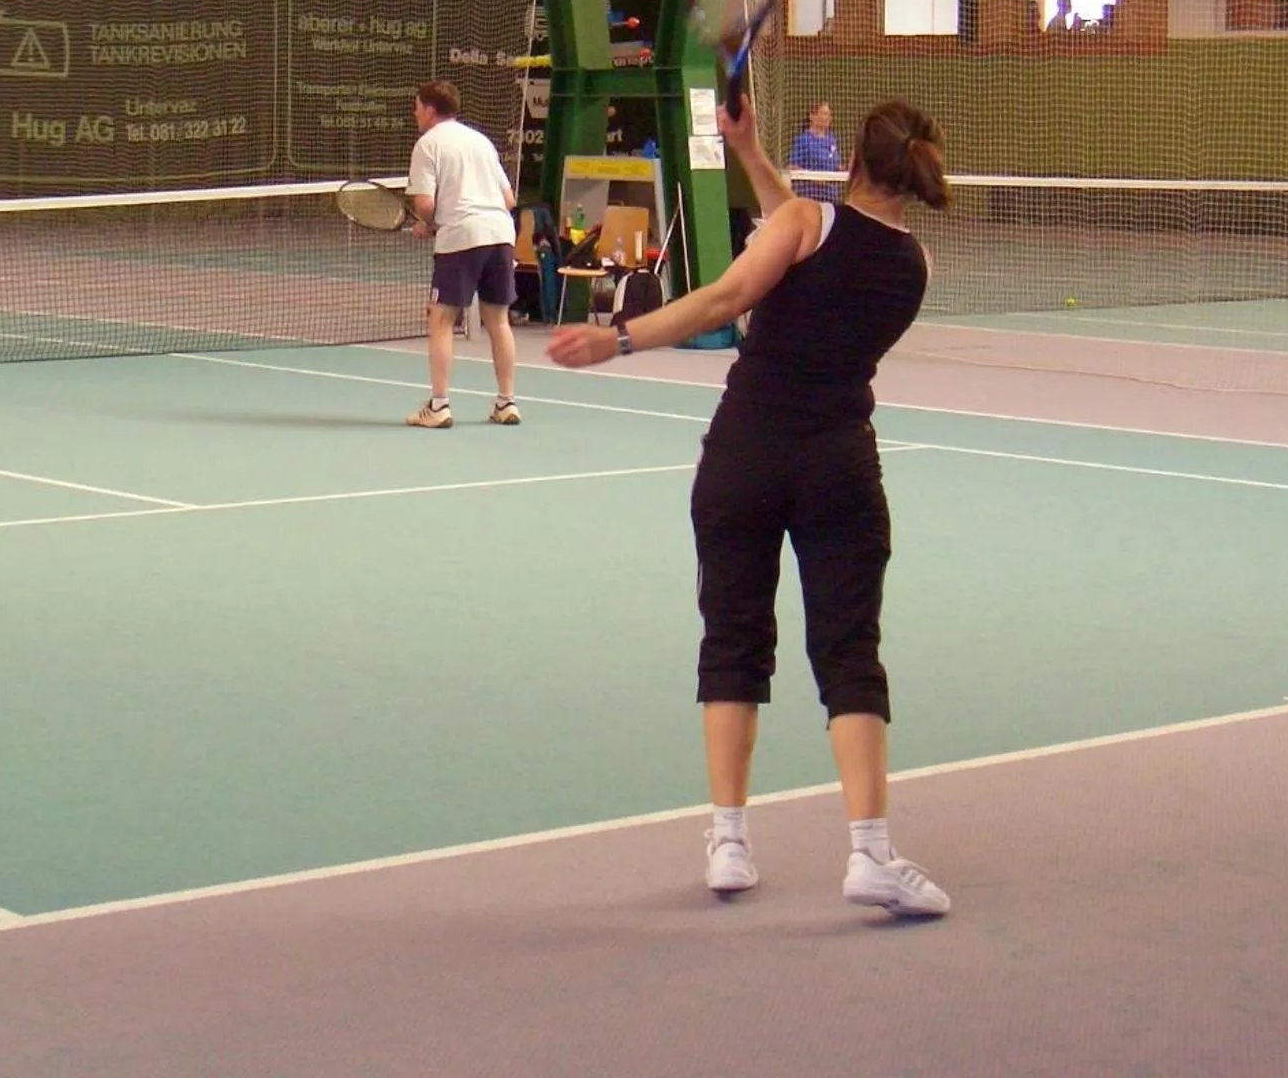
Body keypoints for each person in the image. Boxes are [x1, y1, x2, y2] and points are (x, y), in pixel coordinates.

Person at [547, 95, 953, 917]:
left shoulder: (805, 223)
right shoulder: (913, 266)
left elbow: (729, 298)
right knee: (850, 655)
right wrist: (751, 151)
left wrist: (618, 338)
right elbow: (798, 237)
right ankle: (870, 853)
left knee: (733, 639)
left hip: (744, 458)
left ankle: (729, 842)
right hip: (839, 464)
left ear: (850, 162)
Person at [404, 79, 521, 428]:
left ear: (428, 109)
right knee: (498, 321)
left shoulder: (427, 145)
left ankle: (438, 406)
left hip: (462, 239)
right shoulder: (481, 141)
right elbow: (509, 199)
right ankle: (506, 402)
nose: (414, 114)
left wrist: (432, 222)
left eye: (416, 107)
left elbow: (425, 204)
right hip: (501, 233)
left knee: (440, 320)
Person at [785, 101, 842, 203]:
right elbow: (792, 167)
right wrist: (815, 179)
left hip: (830, 198)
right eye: (824, 114)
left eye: (829, 114)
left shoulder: (831, 140)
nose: (828, 117)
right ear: (812, 116)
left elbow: (836, 166)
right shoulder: (803, 140)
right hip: (809, 197)